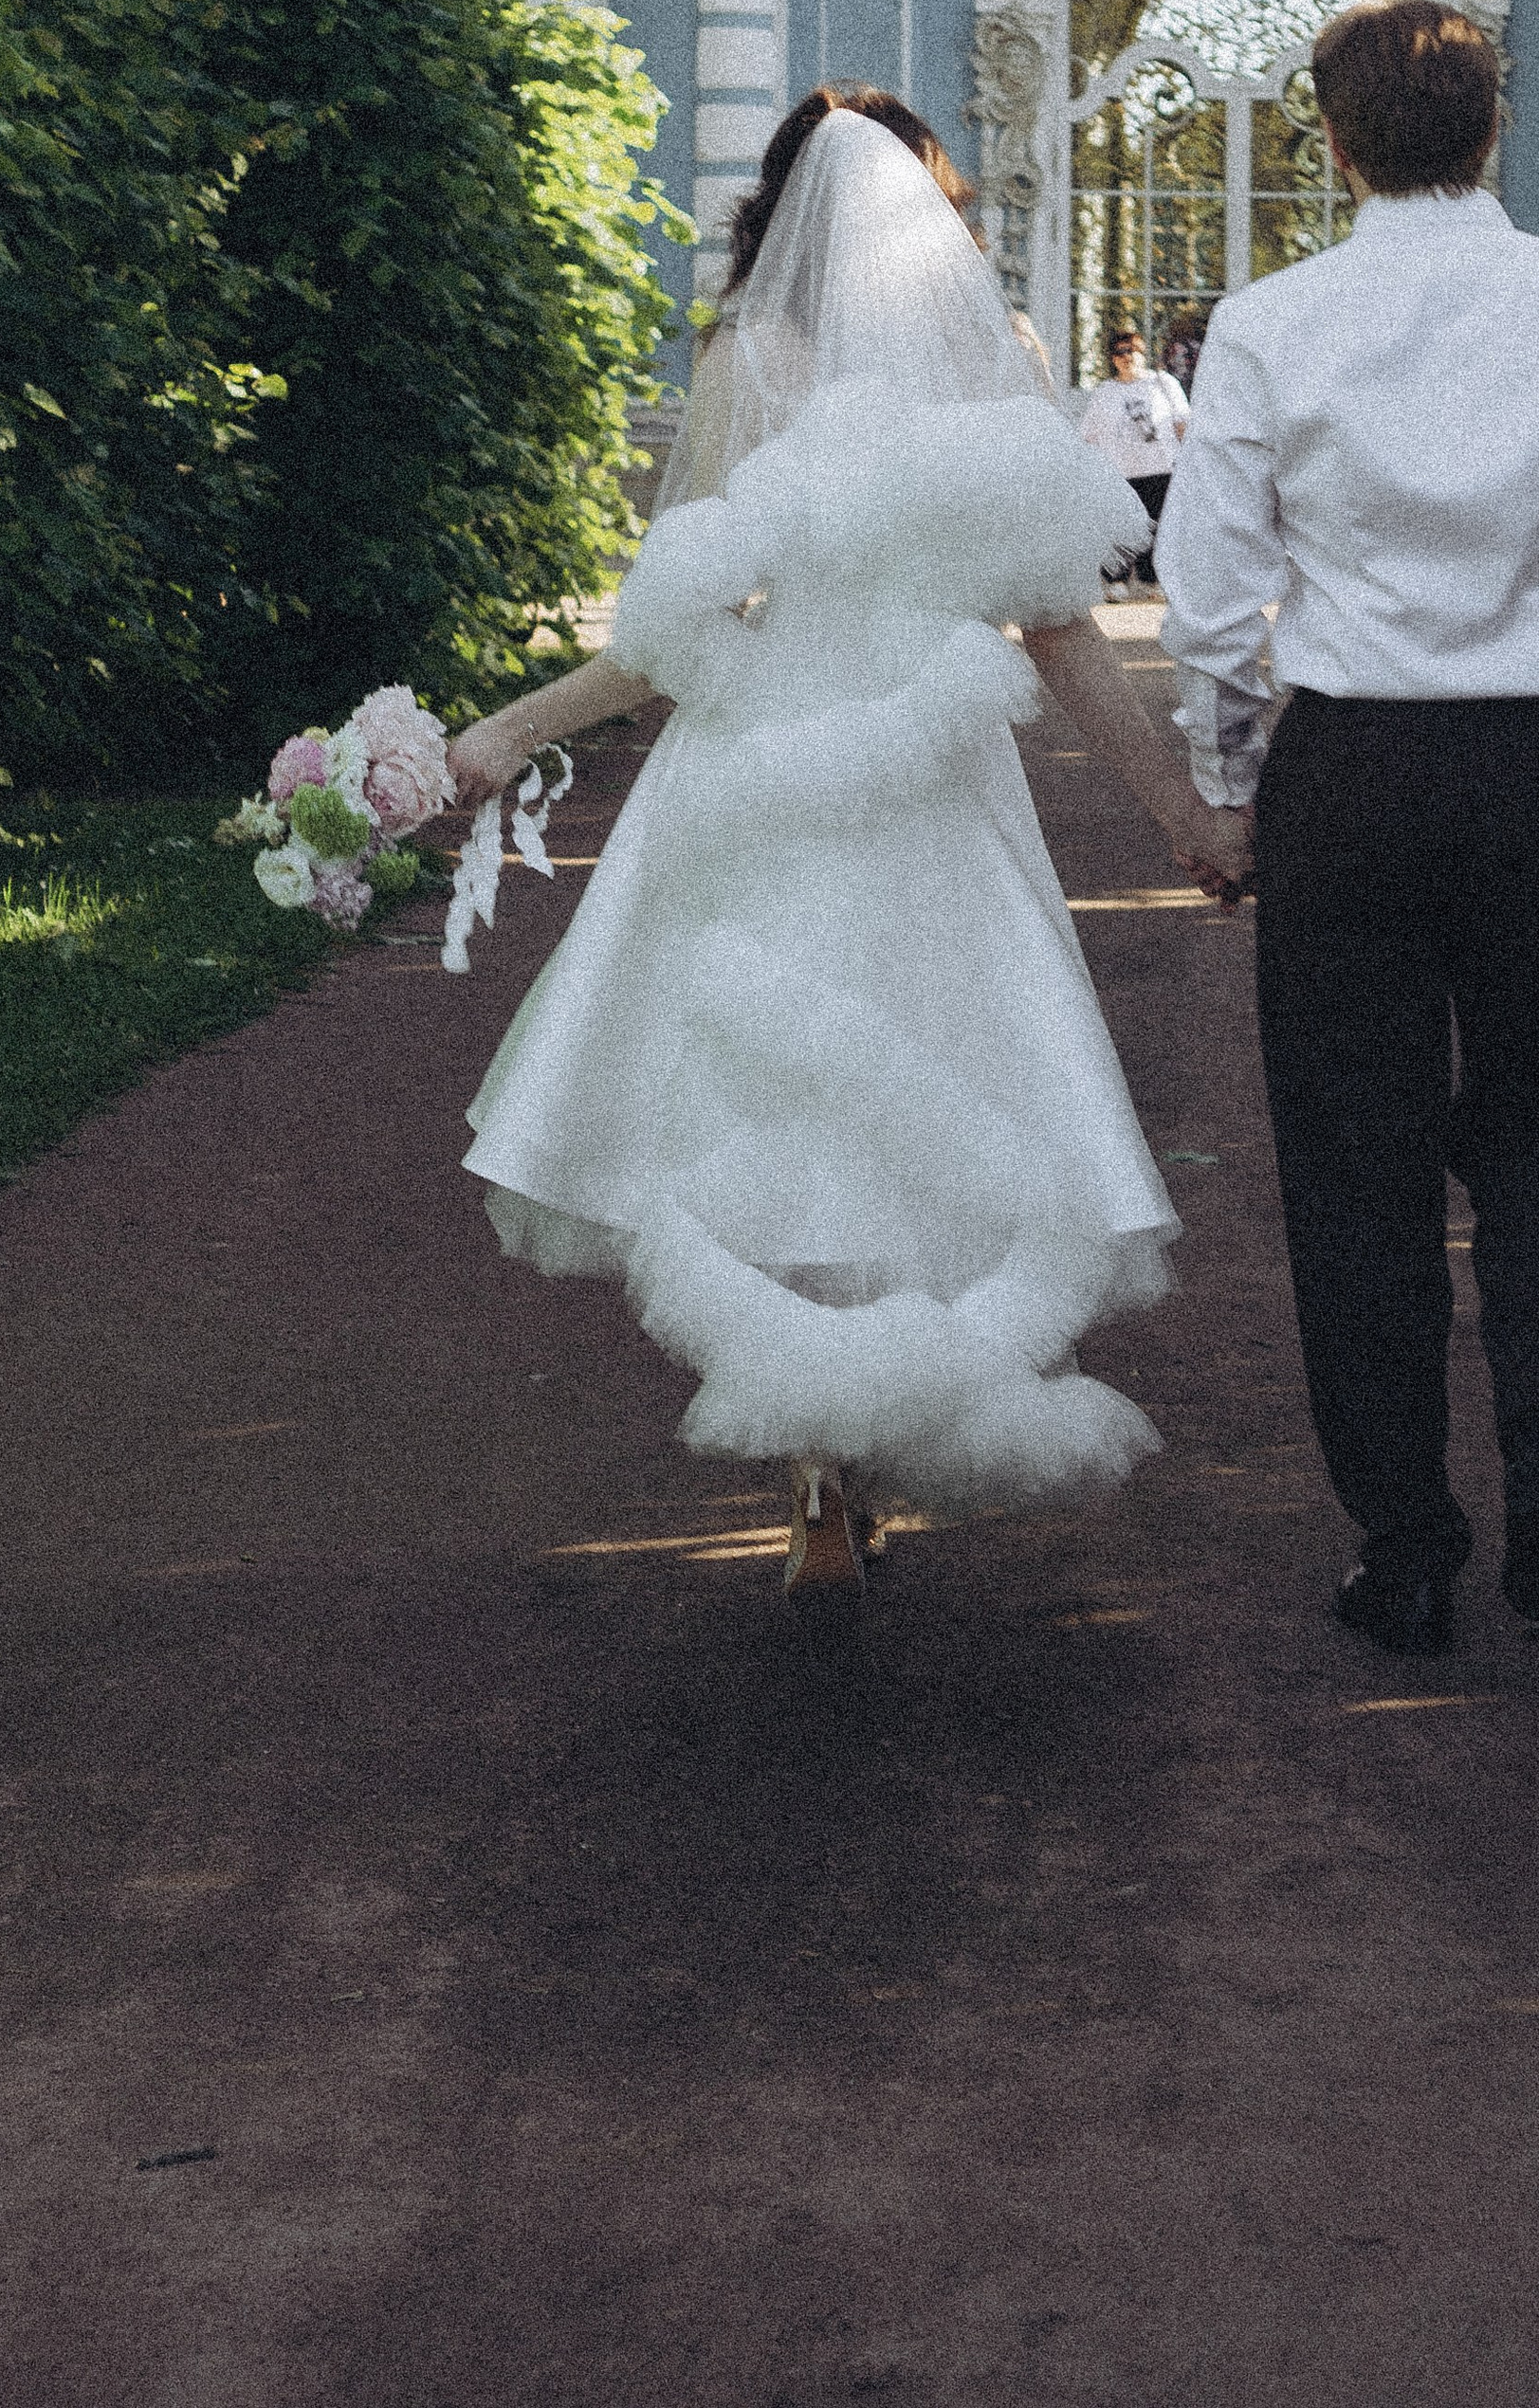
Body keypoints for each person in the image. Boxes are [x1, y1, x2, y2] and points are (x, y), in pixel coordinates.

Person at [448, 82, 1250, 1638]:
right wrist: (1183, 823)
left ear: (778, 211)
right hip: (936, 792)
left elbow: (671, 629)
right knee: (925, 1103)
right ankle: (866, 1429)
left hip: (754, 786)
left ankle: (818, 1457)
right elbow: (1066, 641)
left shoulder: (752, 366)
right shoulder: (994, 375)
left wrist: (508, 727)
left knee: (776, 1104)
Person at [1154, 0, 1539, 1659]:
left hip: (1355, 778)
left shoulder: (1272, 325)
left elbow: (1208, 608)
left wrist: (1229, 784)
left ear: (1332, 147)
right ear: (1495, 131)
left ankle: (1406, 1543)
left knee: (1357, 1161)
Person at [1076, 327, 1190, 593]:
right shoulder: (1105, 392)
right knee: (1121, 528)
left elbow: (1182, 423)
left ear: (1143, 353)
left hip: (1161, 468)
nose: (1126, 357)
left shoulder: (1162, 383)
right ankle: (1117, 580)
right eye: (1119, 353)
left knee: (1159, 528)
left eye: (1132, 350)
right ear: (1113, 359)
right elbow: (1087, 434)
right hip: (1121, 472)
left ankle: (1153, 581)